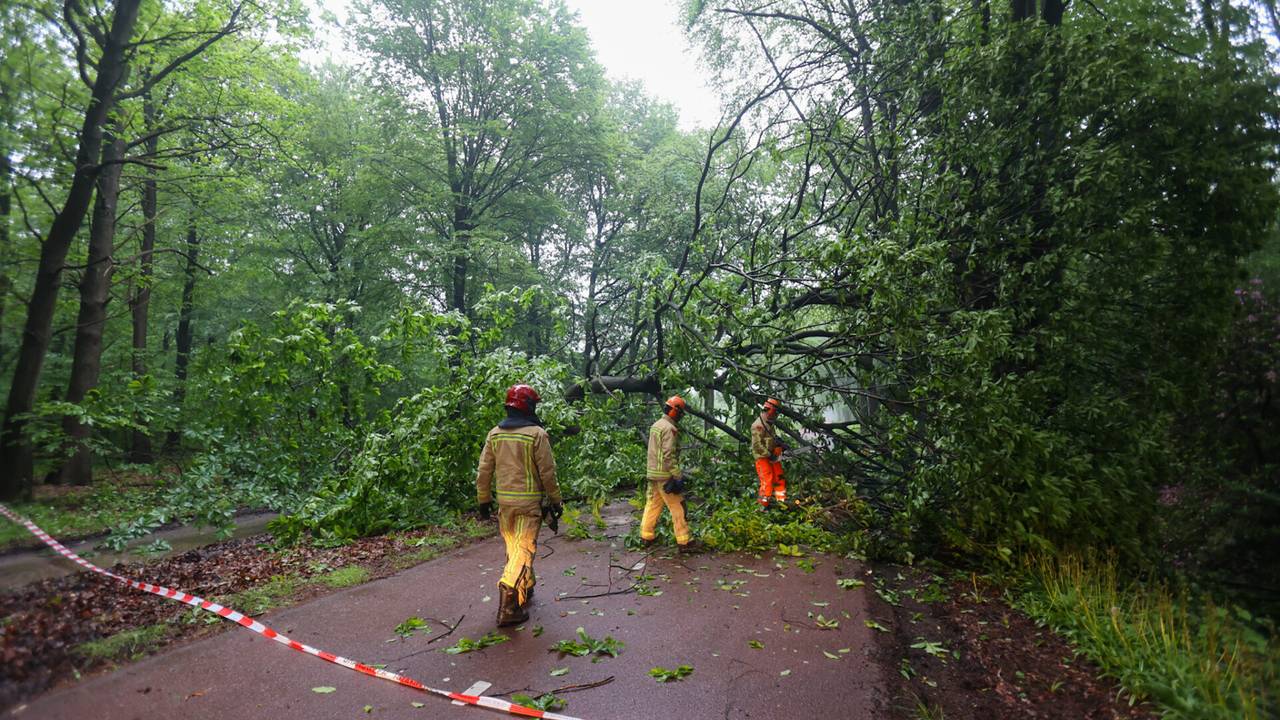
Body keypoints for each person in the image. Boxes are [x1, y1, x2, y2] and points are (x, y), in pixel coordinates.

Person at [476, 383, 561, 626]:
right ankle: (509, 604)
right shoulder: (537, 435)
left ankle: (526, 587)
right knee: (524, 549)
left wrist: (484, 499)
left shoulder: (495, 434)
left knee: (515, 547)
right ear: (529, 406)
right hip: (528, 504)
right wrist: (556, 500)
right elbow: (547, 473)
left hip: (505, 504)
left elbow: (484, 471)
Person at [640, 395, 697, 552]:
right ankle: (684, 541)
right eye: (680, 413)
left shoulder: (656, 425)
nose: (680, 416)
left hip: (652, 473)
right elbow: (668, 454)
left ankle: (646, 536)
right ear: (674, 411)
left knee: (653, 504)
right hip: (664, 475)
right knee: (677, 506)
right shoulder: (669, 428)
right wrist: (677, 475)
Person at [752, 398, 787, 510]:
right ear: (770, 410)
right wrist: (768, 454)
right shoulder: (758, 425)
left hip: (773, 454)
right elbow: (757, 446)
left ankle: (781, 502)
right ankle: (762, 507)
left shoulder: (769, 422)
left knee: (779, 477)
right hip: (763, 457)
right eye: (775, 412)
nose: (776, 415)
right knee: (767, 481)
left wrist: (780, 444)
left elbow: (771, 438)